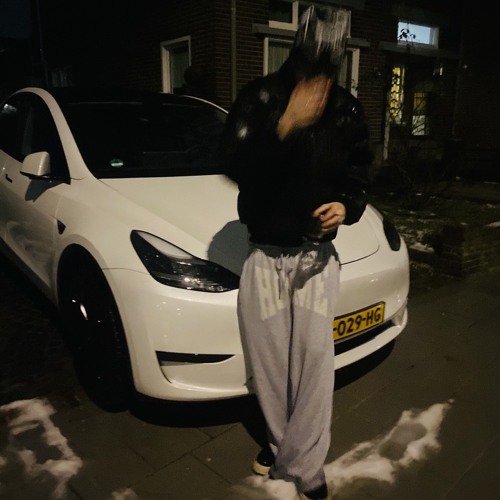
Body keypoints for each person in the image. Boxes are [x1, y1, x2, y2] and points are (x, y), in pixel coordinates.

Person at [219, 5, 372, 499]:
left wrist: (346, 206)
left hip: (316, 259)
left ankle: (304, 469)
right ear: (297, 53)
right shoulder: (262, 98)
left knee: (313, 367)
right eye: (314, 62)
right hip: (265, 254)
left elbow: (359, 173)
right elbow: (233, 163)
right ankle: (283, 445)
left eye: (332, 63)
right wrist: (284, 125)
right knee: (269, 366)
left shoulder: (346, 109)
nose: (322, 76)